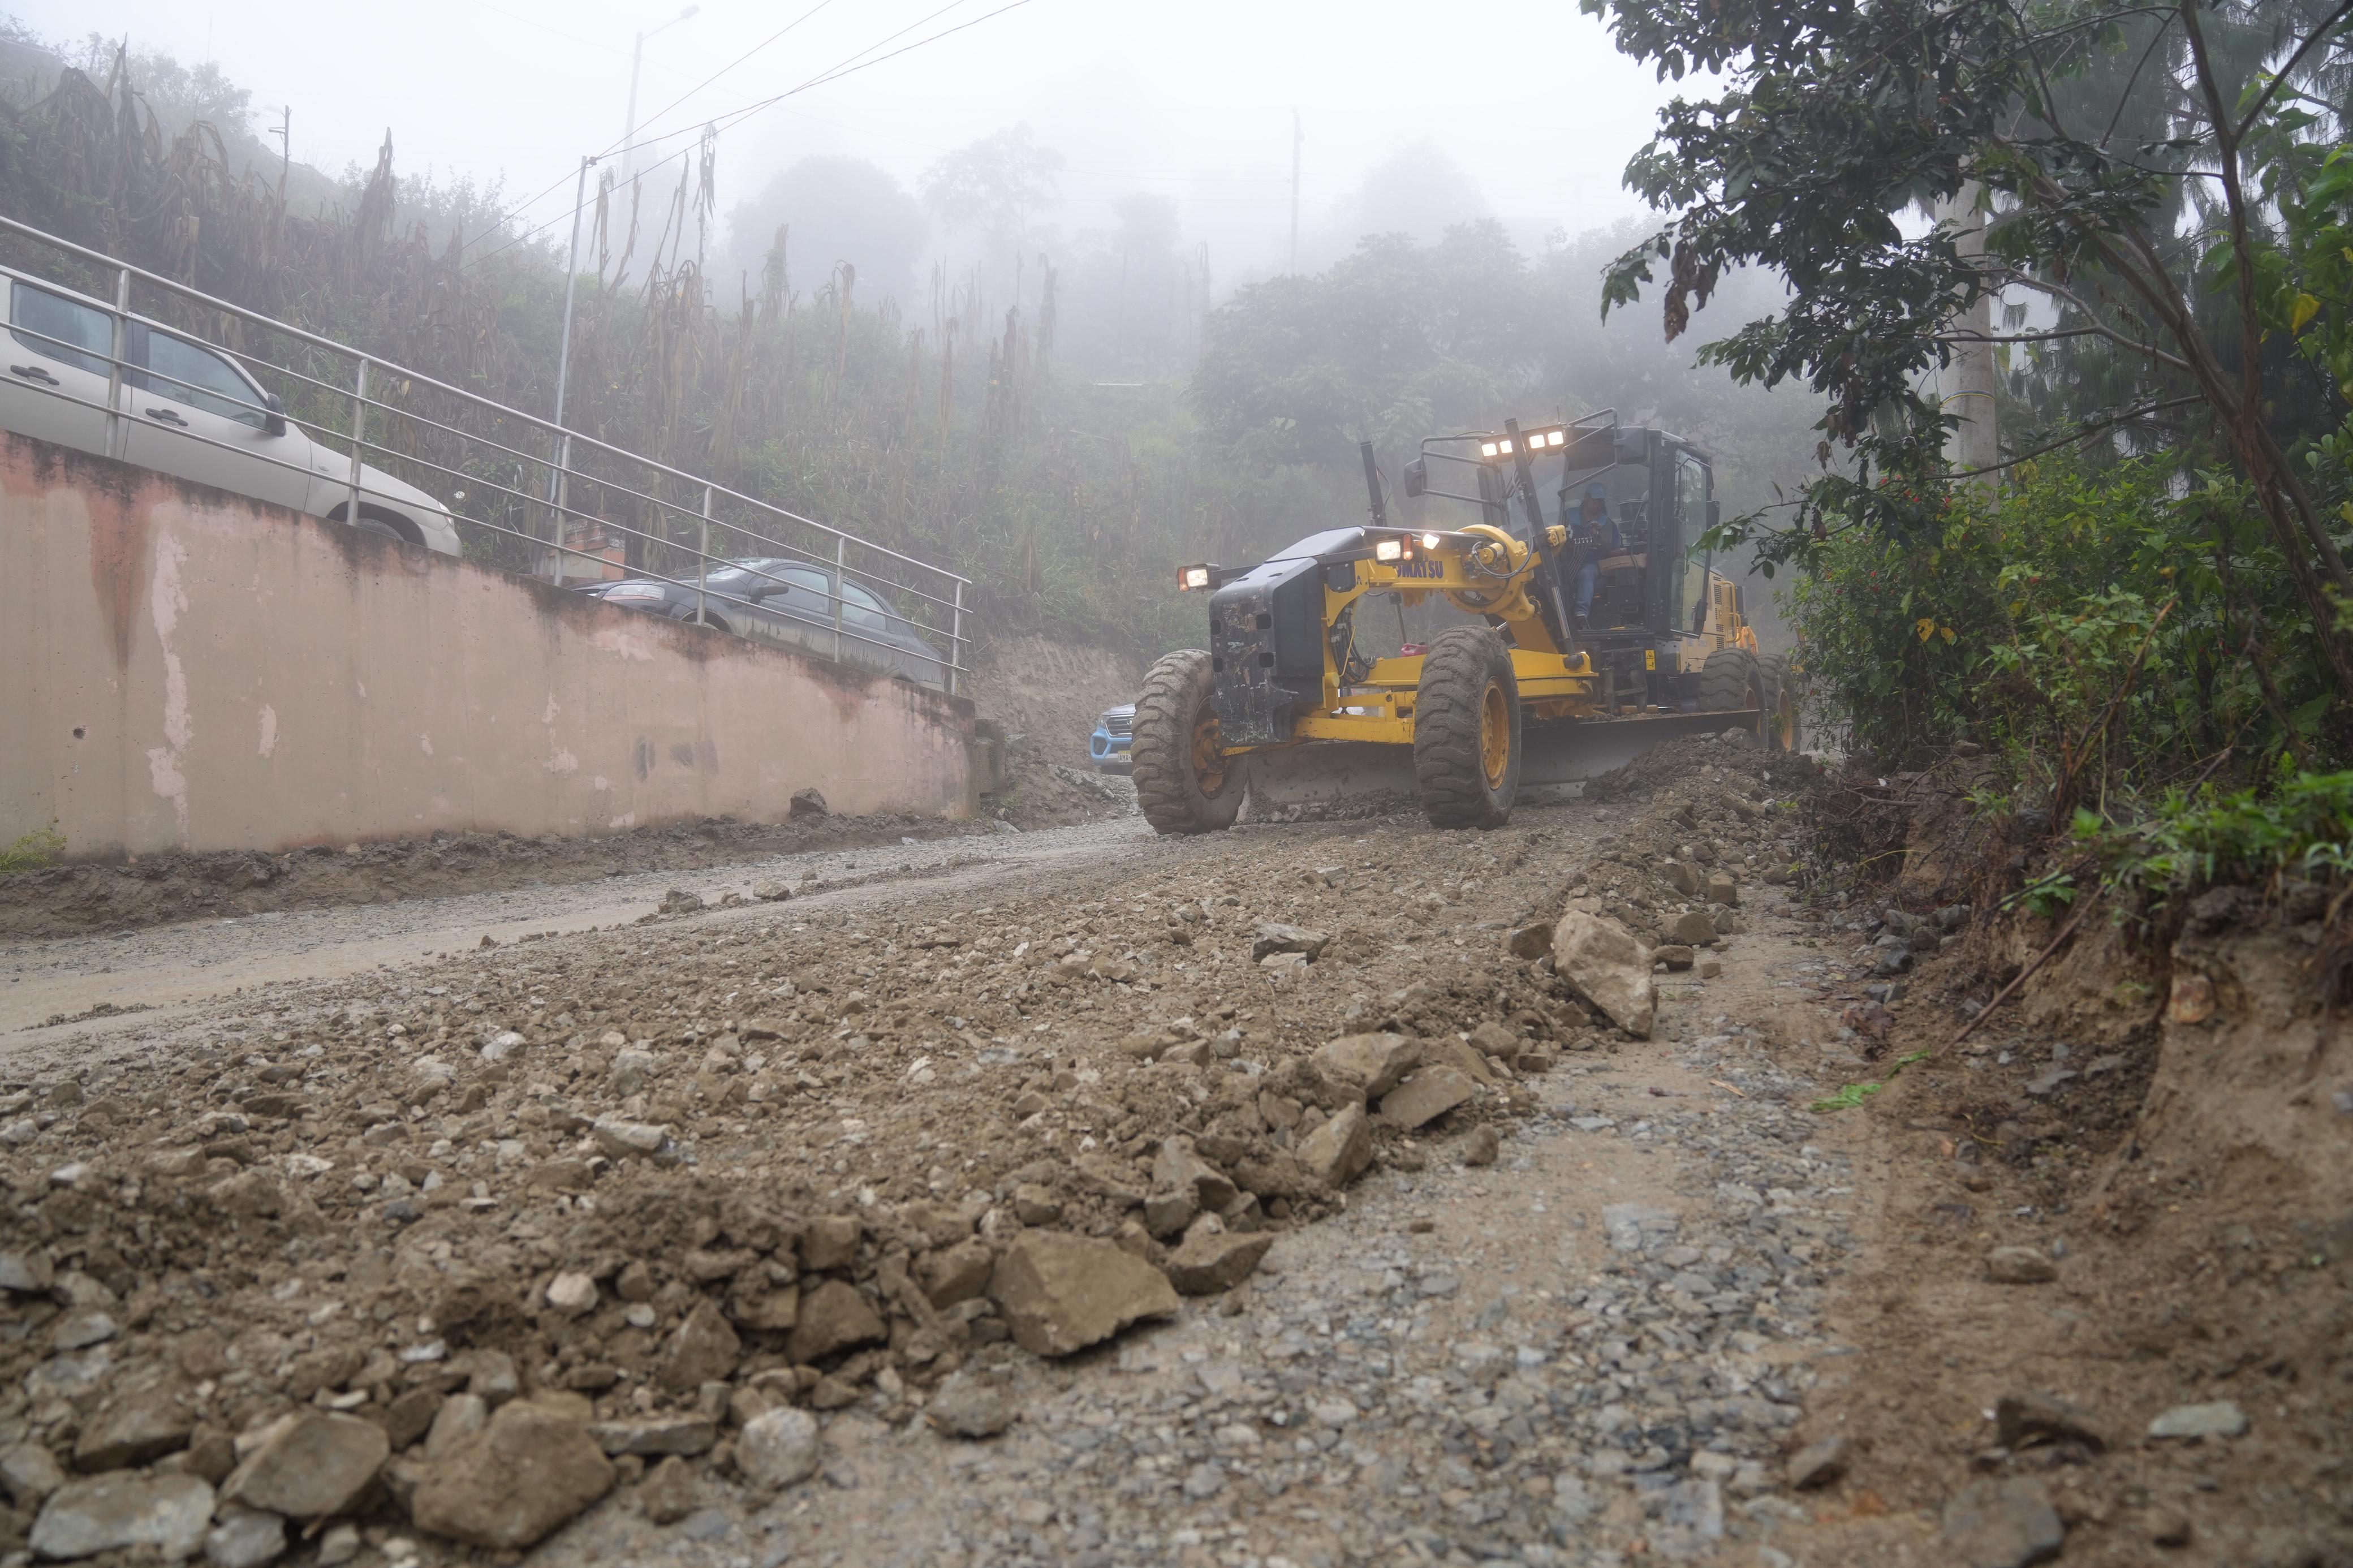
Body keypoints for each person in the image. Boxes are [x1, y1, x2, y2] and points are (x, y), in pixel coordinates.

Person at [1572, 482, 1620, 626]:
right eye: (1596, 500)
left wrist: (1598, 535)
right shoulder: (1568, 516)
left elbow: (1611, 548)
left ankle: (1581, 613)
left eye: (1601, 501)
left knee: (1587, 574)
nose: (1598, 504)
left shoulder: (1607, 524)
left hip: (1593, 563)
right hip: (1567, 561)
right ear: (1586, 498)